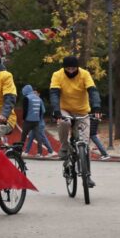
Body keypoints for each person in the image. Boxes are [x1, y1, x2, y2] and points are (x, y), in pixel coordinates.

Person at [50, 55, 100, 187]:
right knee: (64, 122)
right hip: (64, 109)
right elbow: (54, 94)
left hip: (82, 111)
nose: (71, 71)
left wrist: (96, 107)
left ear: (77, 67)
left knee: (84, 143)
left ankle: (87, 176)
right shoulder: (57, 75)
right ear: (64, 68)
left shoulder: (85, 74)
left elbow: (93, 91)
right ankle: (65, 147)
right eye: (68, 69)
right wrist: (56, 111)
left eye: (73, 68)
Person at [20, 84, 52, 156]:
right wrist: (38, 118)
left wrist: (24, 119)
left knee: (24, 136)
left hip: (29, 120)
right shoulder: (38, 98)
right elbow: (41, 111)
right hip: (37, 121)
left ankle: (20, 150)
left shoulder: (27, 98)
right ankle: (38, 153)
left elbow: (25, 110)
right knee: (37, 137)